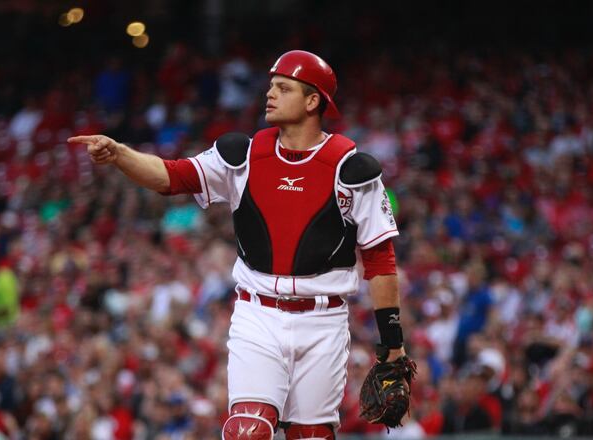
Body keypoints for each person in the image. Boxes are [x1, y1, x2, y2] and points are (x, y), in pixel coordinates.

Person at [69, 50, 410, 440]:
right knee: (247, 431)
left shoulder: (351, 169)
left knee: (312, 435)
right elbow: (173, 177)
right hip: (257, 314)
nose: (270, 94)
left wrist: (393, 346)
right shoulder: (242, 155)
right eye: (271, 87)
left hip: (324, 320)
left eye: (284, 88)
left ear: (313, 101)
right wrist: (120, 155)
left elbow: (381, 261)